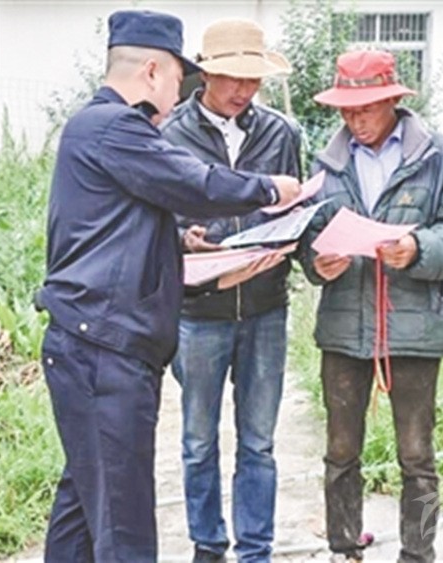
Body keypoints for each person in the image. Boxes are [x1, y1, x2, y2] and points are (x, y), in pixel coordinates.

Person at [37, 10, 302, 563]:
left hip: (94, 343)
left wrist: (190, 252)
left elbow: (121, 230)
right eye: (181, 79)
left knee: (85, 503)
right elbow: (194, 184)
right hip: (104, 350)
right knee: (124, 523)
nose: (180, 94)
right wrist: (269, 189)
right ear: (153, 71)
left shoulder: (99, 128)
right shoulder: (115, 127)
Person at [297, 50, 443, 563]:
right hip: (344, 328)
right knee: (340, 450)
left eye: (365, 109)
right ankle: (343, 547)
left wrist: (419, 248)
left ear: (391, 102)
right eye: (346, 110)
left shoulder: (440, 157)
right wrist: (318, 262)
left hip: (415, 328)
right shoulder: (326, 162)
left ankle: (418, 553)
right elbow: (308, 234)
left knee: (417, 454)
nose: (354, 120)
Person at [159, 18, 301, 563]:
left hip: (265, 307)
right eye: (234, 78)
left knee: (259, 441)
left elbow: (295, 206)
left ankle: (256, 550)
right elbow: (153, 219)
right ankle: (208, 543)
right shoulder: (169, 135)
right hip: (199, 311)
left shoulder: (281, 133)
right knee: (198, 441)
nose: (245, 90)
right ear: (206, 74)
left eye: (254, 79)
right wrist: (183, 239)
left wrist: (295, 240)